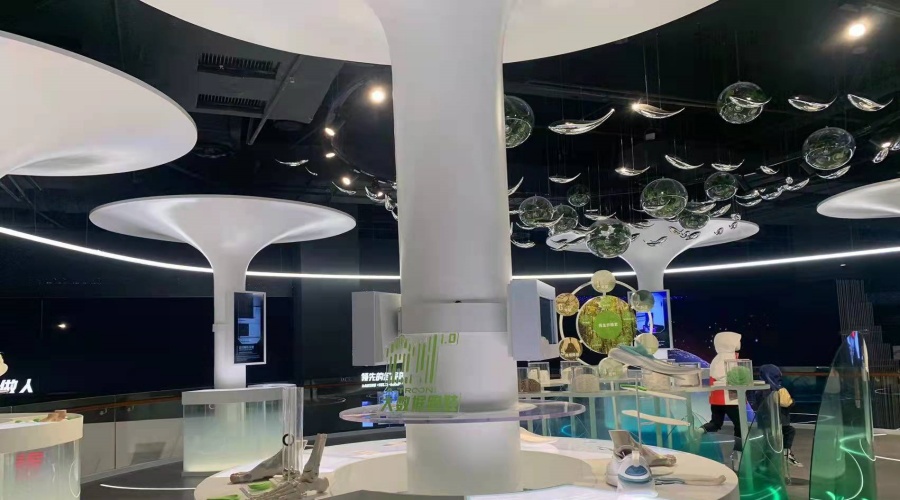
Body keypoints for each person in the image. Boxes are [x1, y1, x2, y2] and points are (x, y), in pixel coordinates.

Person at [700, 332, 743, 459]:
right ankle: (738, 451)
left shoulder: (719, 358)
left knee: (716, 423)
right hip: (728, 398)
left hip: (719, 398)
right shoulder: (726, 358)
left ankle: (698, 432)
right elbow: (720, 376)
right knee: (740, 425)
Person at [755, 364, 802, 467]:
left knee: (768, 443)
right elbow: (786, 403)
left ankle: (764, 464)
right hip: (779, 422)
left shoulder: (759, 390)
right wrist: (793, 401)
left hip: (764, 423)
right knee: (790, 431)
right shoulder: (779, 389)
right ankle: (786, 453)